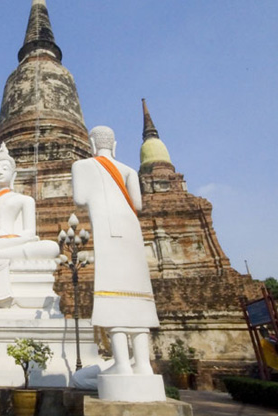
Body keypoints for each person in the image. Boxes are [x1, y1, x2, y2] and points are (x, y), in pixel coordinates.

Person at [72, 126, 159, 377]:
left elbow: (80, 198)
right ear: (115, 145)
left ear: (90, 143)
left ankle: (121, 364)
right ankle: (143, 364)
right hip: (131, 229)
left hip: (106, 229)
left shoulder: (82, 166)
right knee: (137, 291)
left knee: (113, 294)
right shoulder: (130, 171)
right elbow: (138, 204)